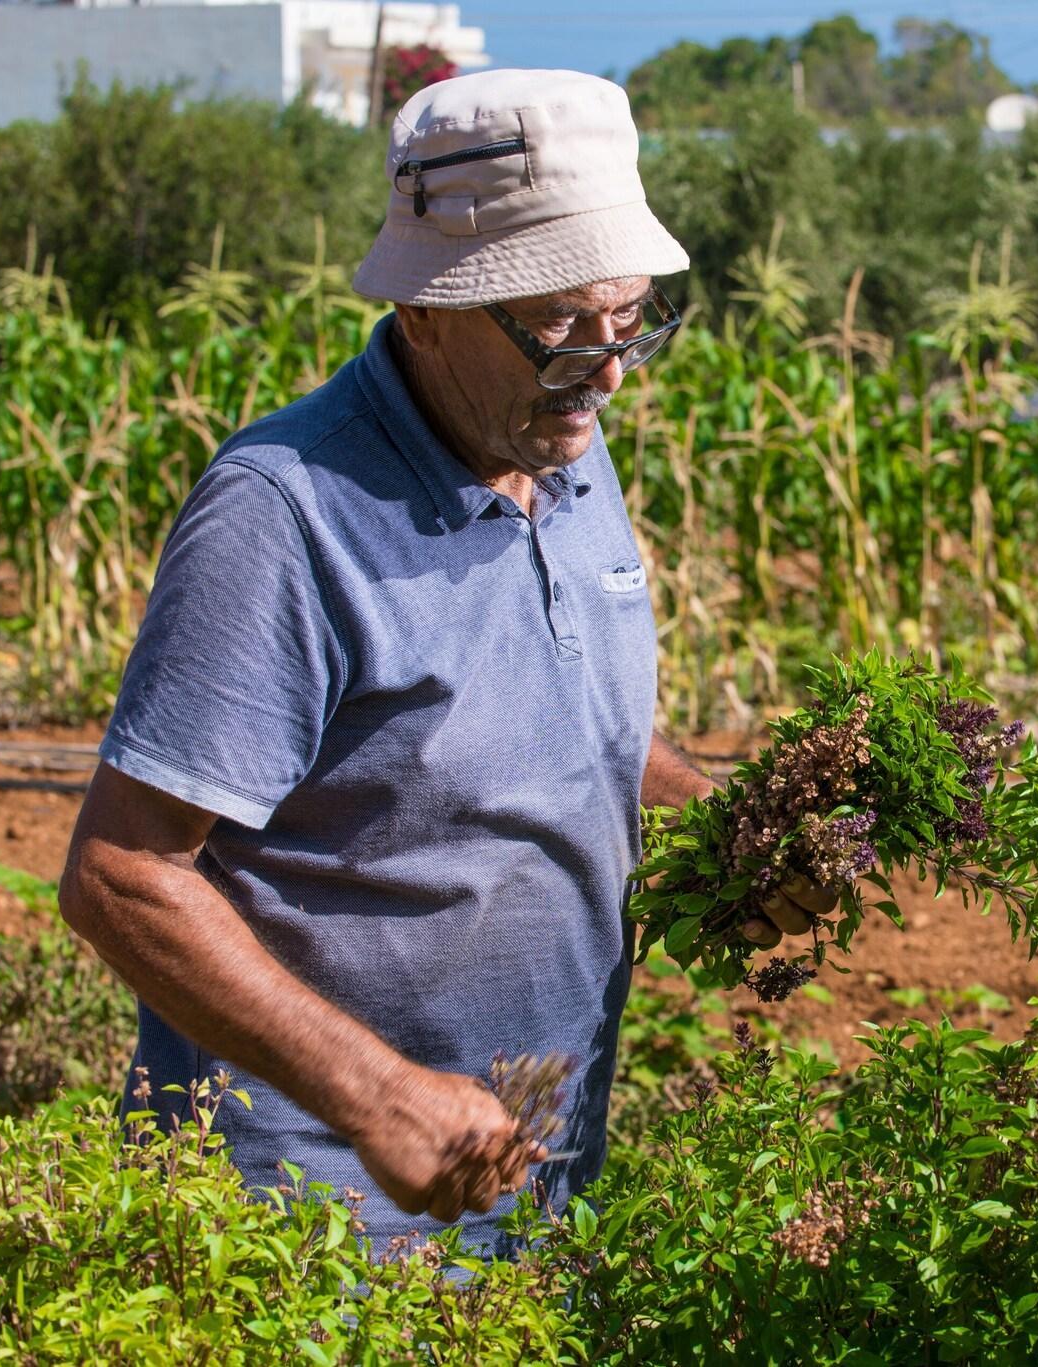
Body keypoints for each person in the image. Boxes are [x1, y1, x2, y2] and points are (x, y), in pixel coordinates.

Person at [58, 69, 833, 1258]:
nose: (608, 370)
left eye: (631, 319)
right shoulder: (285, 514)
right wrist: (374, 1094)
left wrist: (720, 822)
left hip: (534, 1184)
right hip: (304, 1224)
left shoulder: (563, 442)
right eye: (562, 326)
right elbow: (121, 873)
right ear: (426, 309)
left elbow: (561, 723)